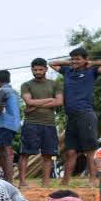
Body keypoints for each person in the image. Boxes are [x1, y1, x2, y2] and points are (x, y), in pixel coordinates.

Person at [49, 48, 101, 187]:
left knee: (90, 151)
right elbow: (52, 63)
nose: (74, 61)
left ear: (85, 59)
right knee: (71, 151)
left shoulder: (91, 72)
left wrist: (92, 63)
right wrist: (70, 63)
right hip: (71, 117)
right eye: (72, 58)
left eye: (78, 58)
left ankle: (93, 181)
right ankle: (65, 182)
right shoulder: (67, 71)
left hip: (86, 115)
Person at [20, 58, 64, 189]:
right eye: (35, 69)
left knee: (48, 154)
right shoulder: (26, 85)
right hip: (31, 123)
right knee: (25, 153)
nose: (38, 72)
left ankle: (46, 184)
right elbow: (29, 102)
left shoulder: (54, 84)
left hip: (49, 124)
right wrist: (49, 100)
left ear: (46, 69)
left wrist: (35, 104)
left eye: (40, 69)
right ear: (31, 70)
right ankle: (22, 182)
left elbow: (59, 102)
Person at [0, 69, 21, 182]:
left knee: (5, 151)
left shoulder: (2, 91)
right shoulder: (14, 91)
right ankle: (6, 177)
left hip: (5, 124)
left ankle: (9, 181)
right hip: (14, 123)